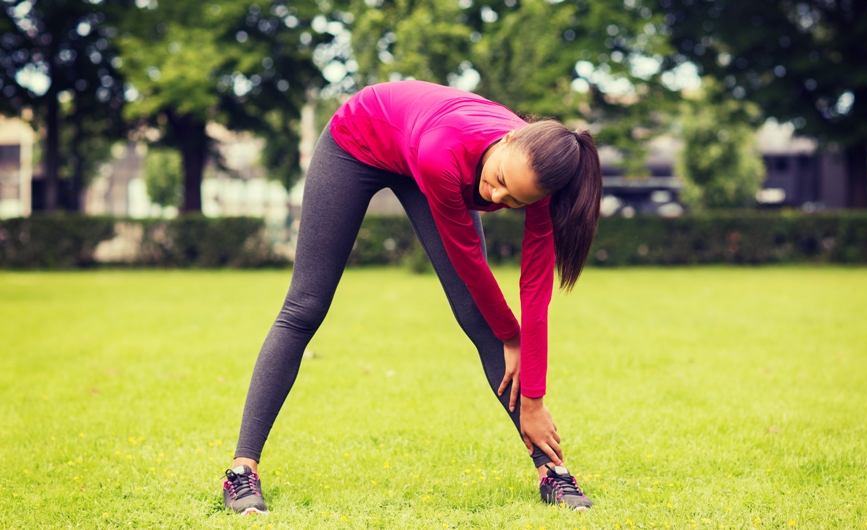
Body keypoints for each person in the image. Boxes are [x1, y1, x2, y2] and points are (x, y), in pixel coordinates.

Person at [221, 80, 602, 515]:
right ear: (510, 138)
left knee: (481, 324)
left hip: (422, 145)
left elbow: (535, 290)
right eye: (498, 182)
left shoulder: (539, 173)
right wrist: (512, 336)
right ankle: (241, 471)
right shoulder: (446, 154)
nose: (494, 197)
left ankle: (551, 472)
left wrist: (533, 394)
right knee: (304, 307)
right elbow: (469, 261)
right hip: (359, 139)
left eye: (513, 200)